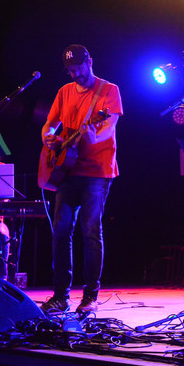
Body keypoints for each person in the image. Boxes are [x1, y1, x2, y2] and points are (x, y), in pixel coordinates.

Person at [40, 44, 122, 315]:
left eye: (79, 67)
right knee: (60, 231)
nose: (76, 73)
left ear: (90, 62)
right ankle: (60, 296)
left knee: (90, 231)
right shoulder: (64, 92)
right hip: (67, 170)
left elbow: (108, 127)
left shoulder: (109, 90)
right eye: (71, 70)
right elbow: (49, 124)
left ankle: (90, 297)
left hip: (97, 170)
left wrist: (92, 137)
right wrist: (48, 137)